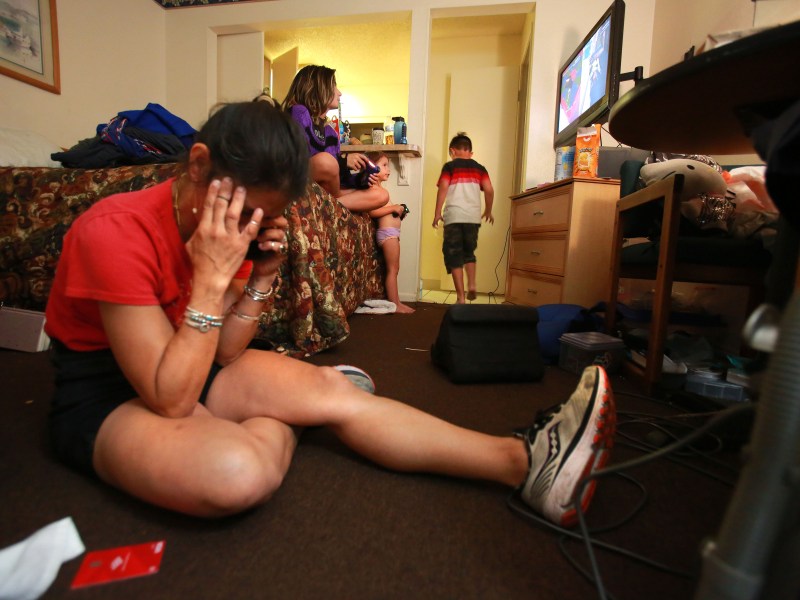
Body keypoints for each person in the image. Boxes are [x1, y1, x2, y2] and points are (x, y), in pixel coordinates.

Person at [44, 101, 615, 526]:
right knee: (239, 474)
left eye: (260, 218)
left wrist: (261, 277)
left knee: (337, 395)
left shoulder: (239, 234)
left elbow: (224, 352)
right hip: (110, 391)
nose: (247, 229)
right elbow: (169, 398)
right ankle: (291, 417)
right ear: (198, 165)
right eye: (243, 210)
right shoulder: (114, 232)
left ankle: (522, 460)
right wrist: (211, 279)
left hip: (197, 362)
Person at [281, 64, 388, 213]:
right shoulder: (300, 112)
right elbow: (299, 157)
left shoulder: (331, 133)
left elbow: (339, 179)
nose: (340, 93)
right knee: (326, 161)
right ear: (319, 88)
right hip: (301, 177)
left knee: (381, 194)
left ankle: (328, 205)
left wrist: (363, 179)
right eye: (334, 86)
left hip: (329, 192)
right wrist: (343, 161)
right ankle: (331, 203)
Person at [432, 132, 495, 304]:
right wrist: (488, 210)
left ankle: (461, 297)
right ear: (471, 153)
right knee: (469, 253)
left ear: (452, 151)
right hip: (473, 219)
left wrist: (437, 212)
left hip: (453, 217)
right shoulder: (480, 169)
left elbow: (443, 188)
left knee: (454, 255)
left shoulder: (449, 167)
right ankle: (472, 284)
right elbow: (489, 190)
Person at [363, 151, 415, 314]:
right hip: (387, 233)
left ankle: (397, 301)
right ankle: (395, 304)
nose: (389, 169)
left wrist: (397, 210)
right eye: (384, 165)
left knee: (395, 269)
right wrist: (393, 208)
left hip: (392, 233)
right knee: (393, 269)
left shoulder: (380, 189)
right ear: (372, 167)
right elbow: (372, 212)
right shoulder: (372, 188)